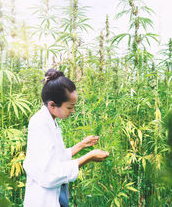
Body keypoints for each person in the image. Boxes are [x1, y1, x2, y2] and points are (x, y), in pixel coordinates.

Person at [23, 69, 109, 207]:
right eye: (70, 107)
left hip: (56, 197)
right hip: (43, 200)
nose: (73, 111)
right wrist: (89, 157)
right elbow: (49, 174)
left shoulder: (51, 120)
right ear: (52, 105)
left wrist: (81, 145)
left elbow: (57, 157)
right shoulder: (39, 124)